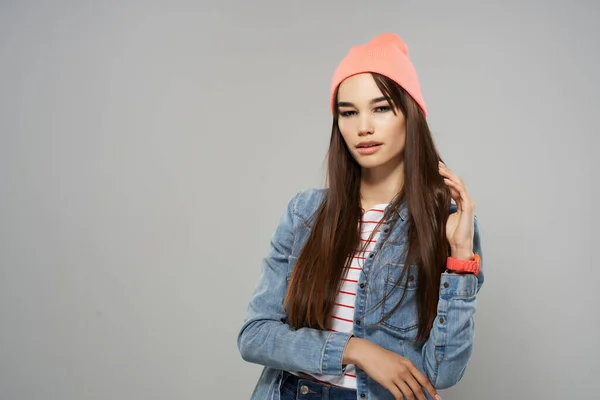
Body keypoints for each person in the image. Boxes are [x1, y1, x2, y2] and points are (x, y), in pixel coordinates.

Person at [237, 32, 484, 400]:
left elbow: (443, 372)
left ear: (410, 114)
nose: (363, 126)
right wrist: (356, 350)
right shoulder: (305, 212)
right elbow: (254, 335)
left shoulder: (445, 224)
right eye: (348, 112)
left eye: (380, 108)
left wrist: (461, 254)